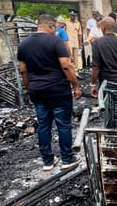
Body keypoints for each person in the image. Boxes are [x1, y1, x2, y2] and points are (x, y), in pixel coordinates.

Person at [16, 14, 82, 171]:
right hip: (58, 90)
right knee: (63, 124)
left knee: (43, 125)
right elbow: (66, 66)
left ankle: (47, 161)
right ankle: (67, 159)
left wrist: (29, 90)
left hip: (37, 91)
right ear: (51, 26)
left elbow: (23, 71)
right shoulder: (56, 41)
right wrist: (76, 86)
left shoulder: (23, 44)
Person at [90, 17, 117, 97]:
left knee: (109, 107)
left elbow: (96, 67)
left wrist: (93, 85)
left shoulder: (97, 43)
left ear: (103, 28)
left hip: (107, 84)